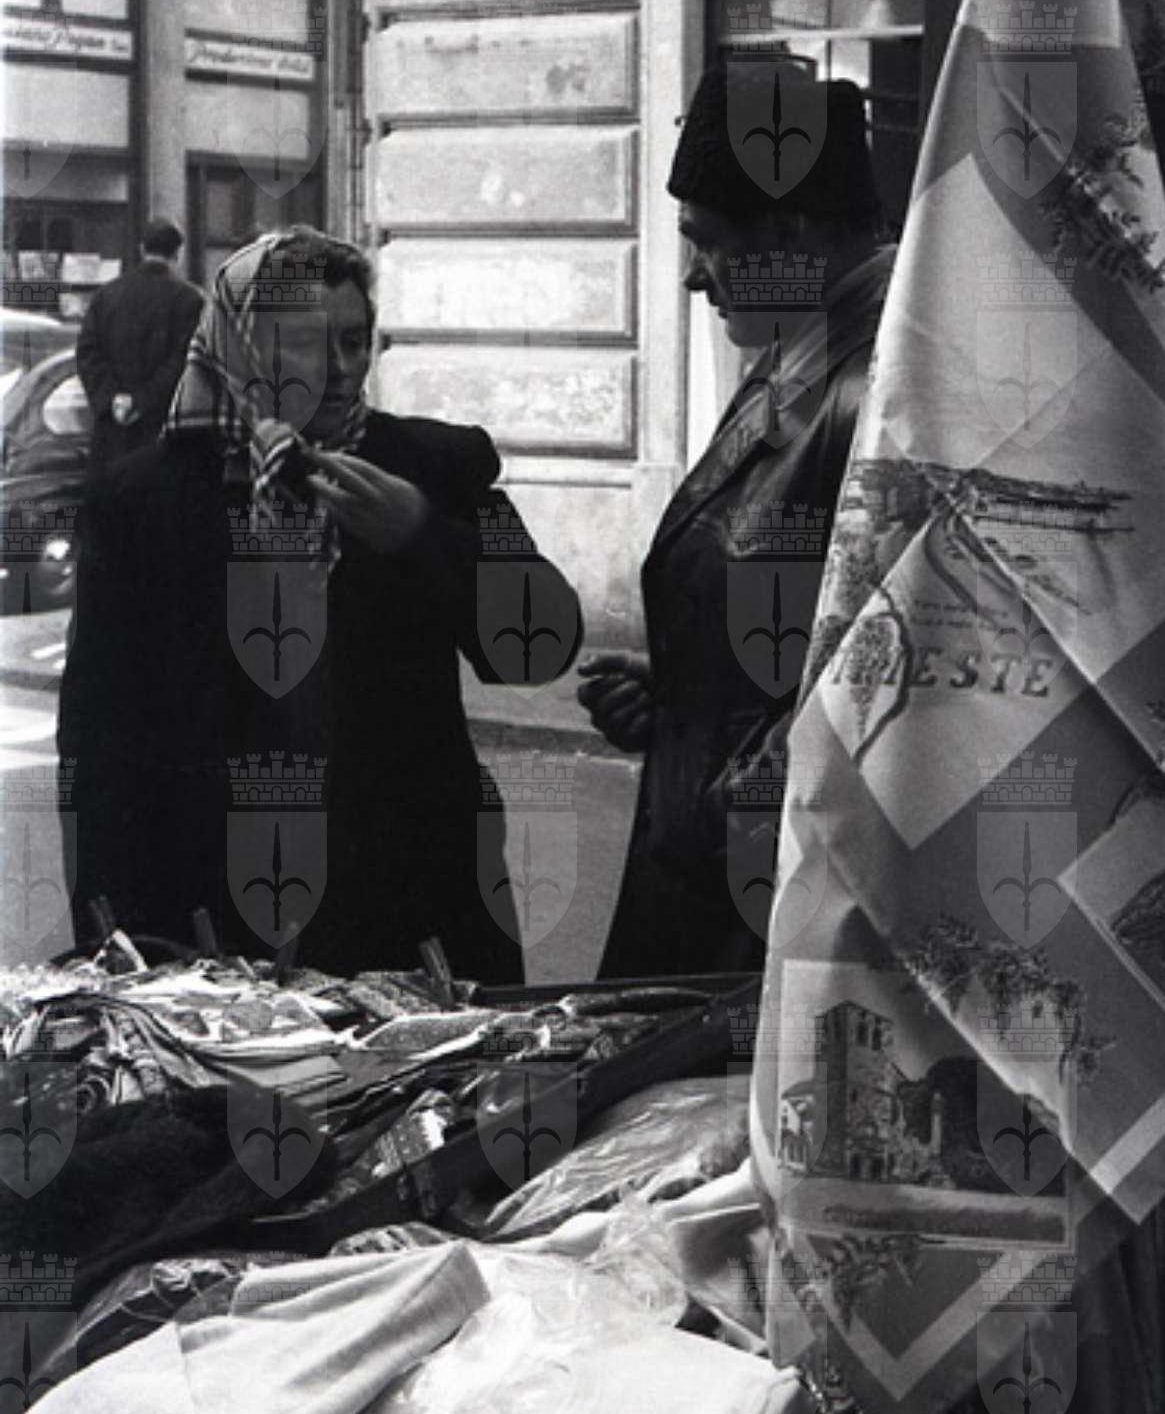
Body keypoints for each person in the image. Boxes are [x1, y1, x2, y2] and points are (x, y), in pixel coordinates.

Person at [57, 226, 582, 981]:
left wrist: (422, 534)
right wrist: (115, 941)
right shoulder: (142, 500)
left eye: (355, 342)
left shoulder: (430, 465)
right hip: (212, 914)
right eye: (303, 344)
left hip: (410, 903)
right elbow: (99, 743)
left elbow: (540, 646)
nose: (338, 371)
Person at [578, 59, 896, 977]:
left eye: (706, 241)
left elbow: (880, 673)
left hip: (761, 908)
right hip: (727, 885)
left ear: (790, 232)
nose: (691, 277)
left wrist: (716, 811)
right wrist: (687, 690)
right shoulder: (805, 347)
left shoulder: (879, 388)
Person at [75, 217, 204, 467]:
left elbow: (87, 353)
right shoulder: (190, 300)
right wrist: (141, 402)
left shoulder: (106, 295)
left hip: (111, 435)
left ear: (142, 249)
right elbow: (184, 362)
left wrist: (111, 398)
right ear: (178, 254)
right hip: (160, 432)